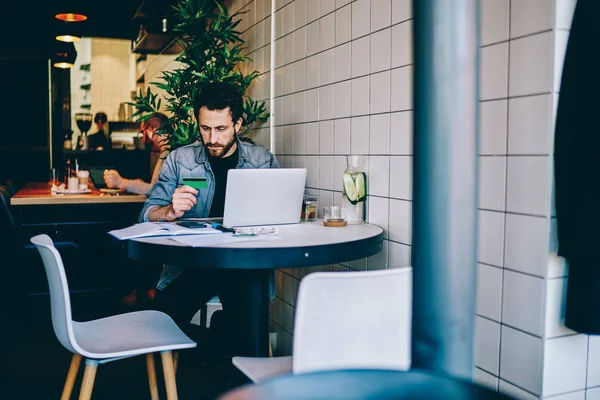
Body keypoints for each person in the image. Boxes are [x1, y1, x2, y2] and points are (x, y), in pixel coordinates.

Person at [139, 82, 279, 356]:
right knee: (160, 320)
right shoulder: (181, 160)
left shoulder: (261, 161)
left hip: (242, 265)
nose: (212, 137)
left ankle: (231, 365)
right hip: (193, 265)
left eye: (221, 129)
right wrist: (168, 211)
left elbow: (281, 216)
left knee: (248, 327)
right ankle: (216, 342)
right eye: (205, 128)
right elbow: (147, 213)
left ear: (237, 124)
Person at [103, 112, 170, 195]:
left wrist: (121, 182)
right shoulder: (168, 152)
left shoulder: (168, 154)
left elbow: (157, 191)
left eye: (142, 134)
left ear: (151, 130)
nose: (142, 141)